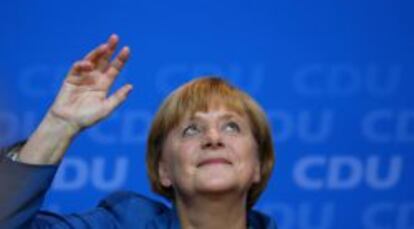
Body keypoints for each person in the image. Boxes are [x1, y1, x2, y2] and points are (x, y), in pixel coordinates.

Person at [0, 34, 277, 229]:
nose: (214, 139)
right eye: (192, 130)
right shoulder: (122, 222)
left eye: (231, 126)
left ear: (259, 166)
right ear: (163, 170)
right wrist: (58, 125)